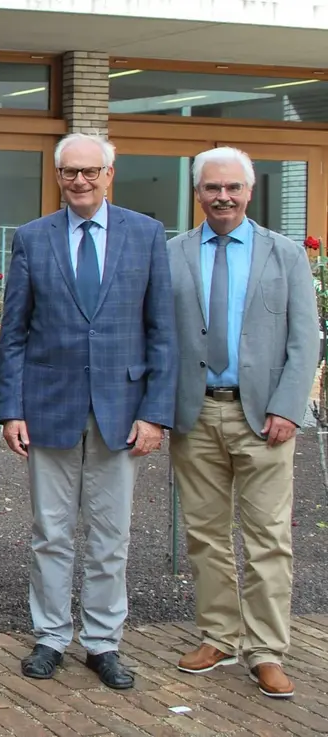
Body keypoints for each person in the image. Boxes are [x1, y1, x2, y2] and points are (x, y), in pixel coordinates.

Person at [0, 132, 177, 690]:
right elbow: (16, 333)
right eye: (70, 172)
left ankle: (103, 642)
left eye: (90, 172)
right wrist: (9, 409)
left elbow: (162, 332)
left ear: (109, 174)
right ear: (58, 177)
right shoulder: (32, 238)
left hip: (122, 409)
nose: (80, 181)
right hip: (48, 407)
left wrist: (155, 414)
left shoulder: (145, 235)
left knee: (110, 534)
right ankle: (50, 636)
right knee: (49, 532)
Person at [166, 146, 316, 699]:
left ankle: (267, 650)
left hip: (265, 415)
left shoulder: (284, 255)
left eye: (232, 187)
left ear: (249, 191)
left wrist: (287, 407)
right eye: (212, 188)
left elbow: (305, 339)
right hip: (195, 413)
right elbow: (162, 337)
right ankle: (218, 636)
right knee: (205, 535)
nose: (222, 196)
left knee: (269, 538)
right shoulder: (174, 254)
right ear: (198, 193)